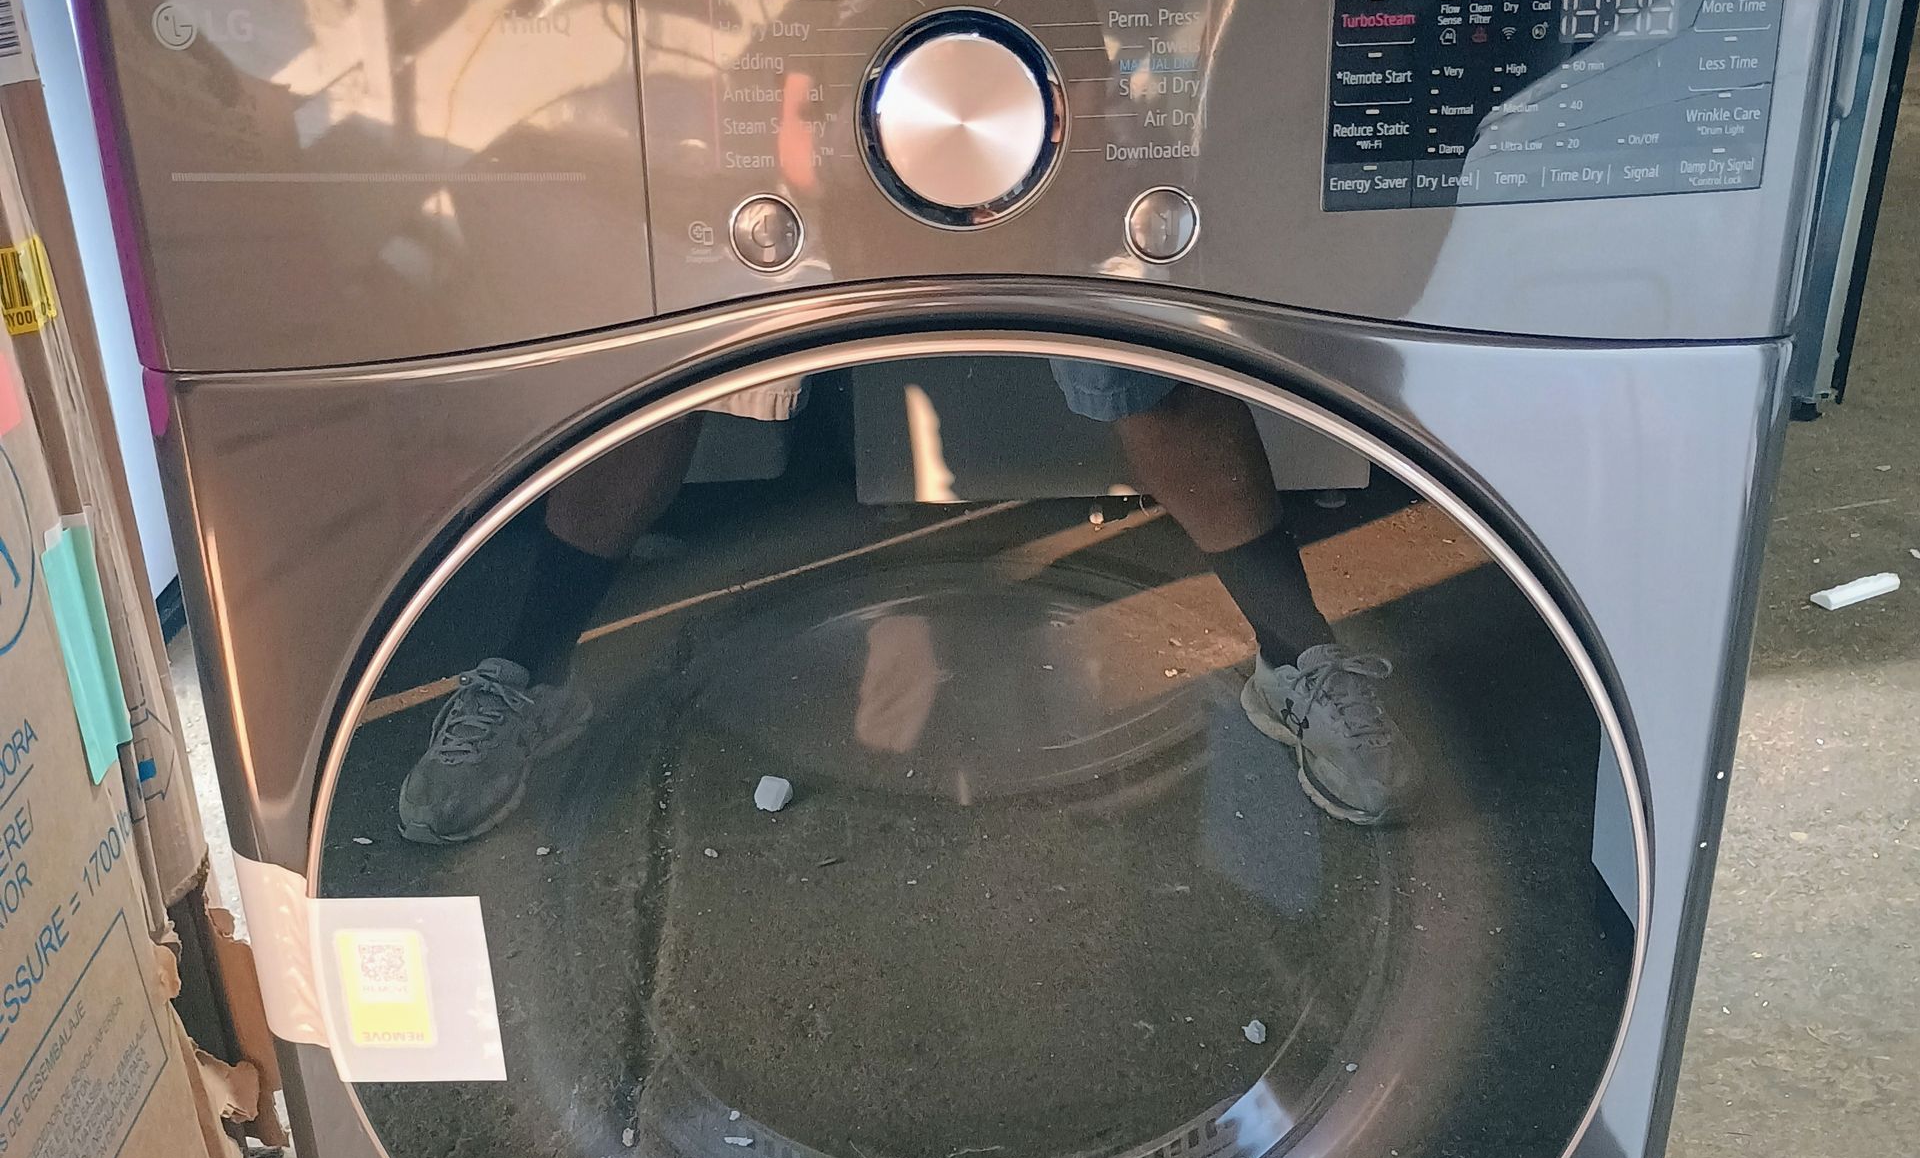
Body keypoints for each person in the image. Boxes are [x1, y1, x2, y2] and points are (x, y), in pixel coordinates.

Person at [396, 364, 1418, 844]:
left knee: (1145, 366)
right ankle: (529, 675)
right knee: (655, 369)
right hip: (793, 40)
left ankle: (1296, 665)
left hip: (1046, 42)